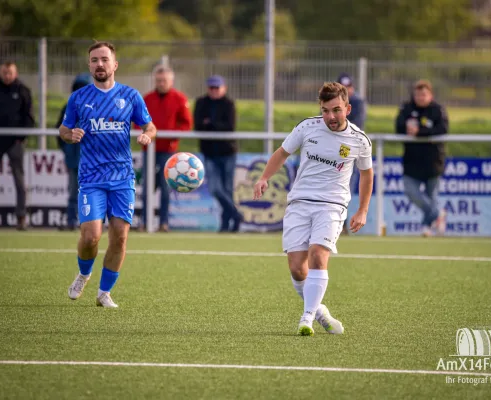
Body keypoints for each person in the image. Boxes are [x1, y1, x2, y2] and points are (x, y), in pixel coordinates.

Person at [253, 82, 374, 336]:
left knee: (318, 254)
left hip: (332, 205)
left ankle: (306, 318)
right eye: (325, 110)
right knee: (297, 268)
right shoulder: (307, 127)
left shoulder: (359, 140)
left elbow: (366, 175)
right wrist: (264, 178)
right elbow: (282, 153)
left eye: (336, 110)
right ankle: (320, 311)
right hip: (300, 202)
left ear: (348, 108)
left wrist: (362, 210)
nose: (330, 116)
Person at [59, 41, 156, 308]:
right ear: (89, 65)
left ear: (115, 64)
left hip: (122, 178)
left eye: (104, 59)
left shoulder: (130, 96)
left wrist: (147, 135)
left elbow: (150, 125)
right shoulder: (79, 98)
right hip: (91, 178)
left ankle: (104, 293)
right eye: (94, 60)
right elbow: (63, 130)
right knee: (91, 237)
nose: (99, 64)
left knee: (120, 236)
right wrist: (71, 135)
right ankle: (84, 273)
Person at [0, 61, 34, 231]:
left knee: (19, 181)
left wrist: (21, 138)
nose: (7, 76)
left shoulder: (23, 90)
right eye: (4, 72)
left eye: (10, 72)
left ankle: (21, 218)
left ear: (15, 73)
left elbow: (29, 117)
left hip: (14, 143)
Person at [140, 66, 192, 232]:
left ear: (171, 81)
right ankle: (144, 222)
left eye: (164, 80)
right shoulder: (147, 98)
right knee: (147, 187)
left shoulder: (179, 98)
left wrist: (171, 136)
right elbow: (137, 120)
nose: (161, 83)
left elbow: (186, 124)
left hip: (168, 152)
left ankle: (164, 223)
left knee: (165, 187)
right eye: (158, 80)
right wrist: (146, 136)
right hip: (149, 149)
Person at [395, 79, 448, 237]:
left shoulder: (437, 110)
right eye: (418, 94)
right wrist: (406, 129)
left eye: (424, 94)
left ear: (430, 95)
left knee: (432, 197)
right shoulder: (406, 108)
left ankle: (426, 227)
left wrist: (420, 132)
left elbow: (443, 129)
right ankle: (438, 214)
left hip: (433, 163)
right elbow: (398, 127)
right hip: (412, 163)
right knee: (411, 193)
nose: (420, 97)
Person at [194, 75, 242, 232]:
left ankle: (227, 224)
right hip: (209, 153)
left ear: (224, 88)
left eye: (217, 87)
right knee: (215, 188)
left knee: (227, 190)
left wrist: (211, 123)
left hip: (227, 152)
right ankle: (236, 214)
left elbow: (229, 126)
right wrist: (212, 125)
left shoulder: (228, 104)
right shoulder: (201, 103)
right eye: (211, 88)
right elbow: (198, 125)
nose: (214, 91)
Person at [56, 73, 93, 231]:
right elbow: (60, 131)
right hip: (74, 158)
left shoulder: (96, 108)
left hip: (93, 160)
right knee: (73, 191)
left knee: (92, 192)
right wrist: (66, 148)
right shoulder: (68, 107)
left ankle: (91, 223)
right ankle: (71, 220)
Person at [337, 73, 367, 235]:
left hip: (348, 149)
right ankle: (338, 222)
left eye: (348, 88)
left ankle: (341, 223)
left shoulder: (357, 102)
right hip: (334, 149)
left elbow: (354, 127)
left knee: (345, 187)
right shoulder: (332, 102)